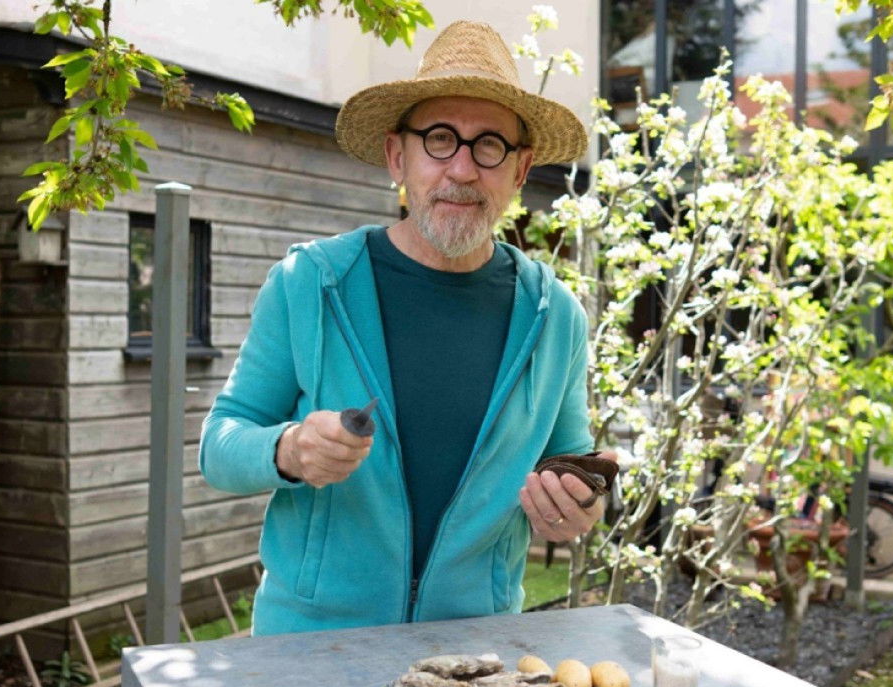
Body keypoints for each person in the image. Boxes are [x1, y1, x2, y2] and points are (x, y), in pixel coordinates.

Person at [199, 20, 616, 636]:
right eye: (440, 139)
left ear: (521, 169)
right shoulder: (310, 283)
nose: (464, 169)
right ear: (399, 155)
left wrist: (577, 506)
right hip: (311, 650)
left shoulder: (555, 317)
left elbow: (568, 462)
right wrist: (289, 450)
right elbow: (219, 448)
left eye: (490, 146)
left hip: (474, 655)